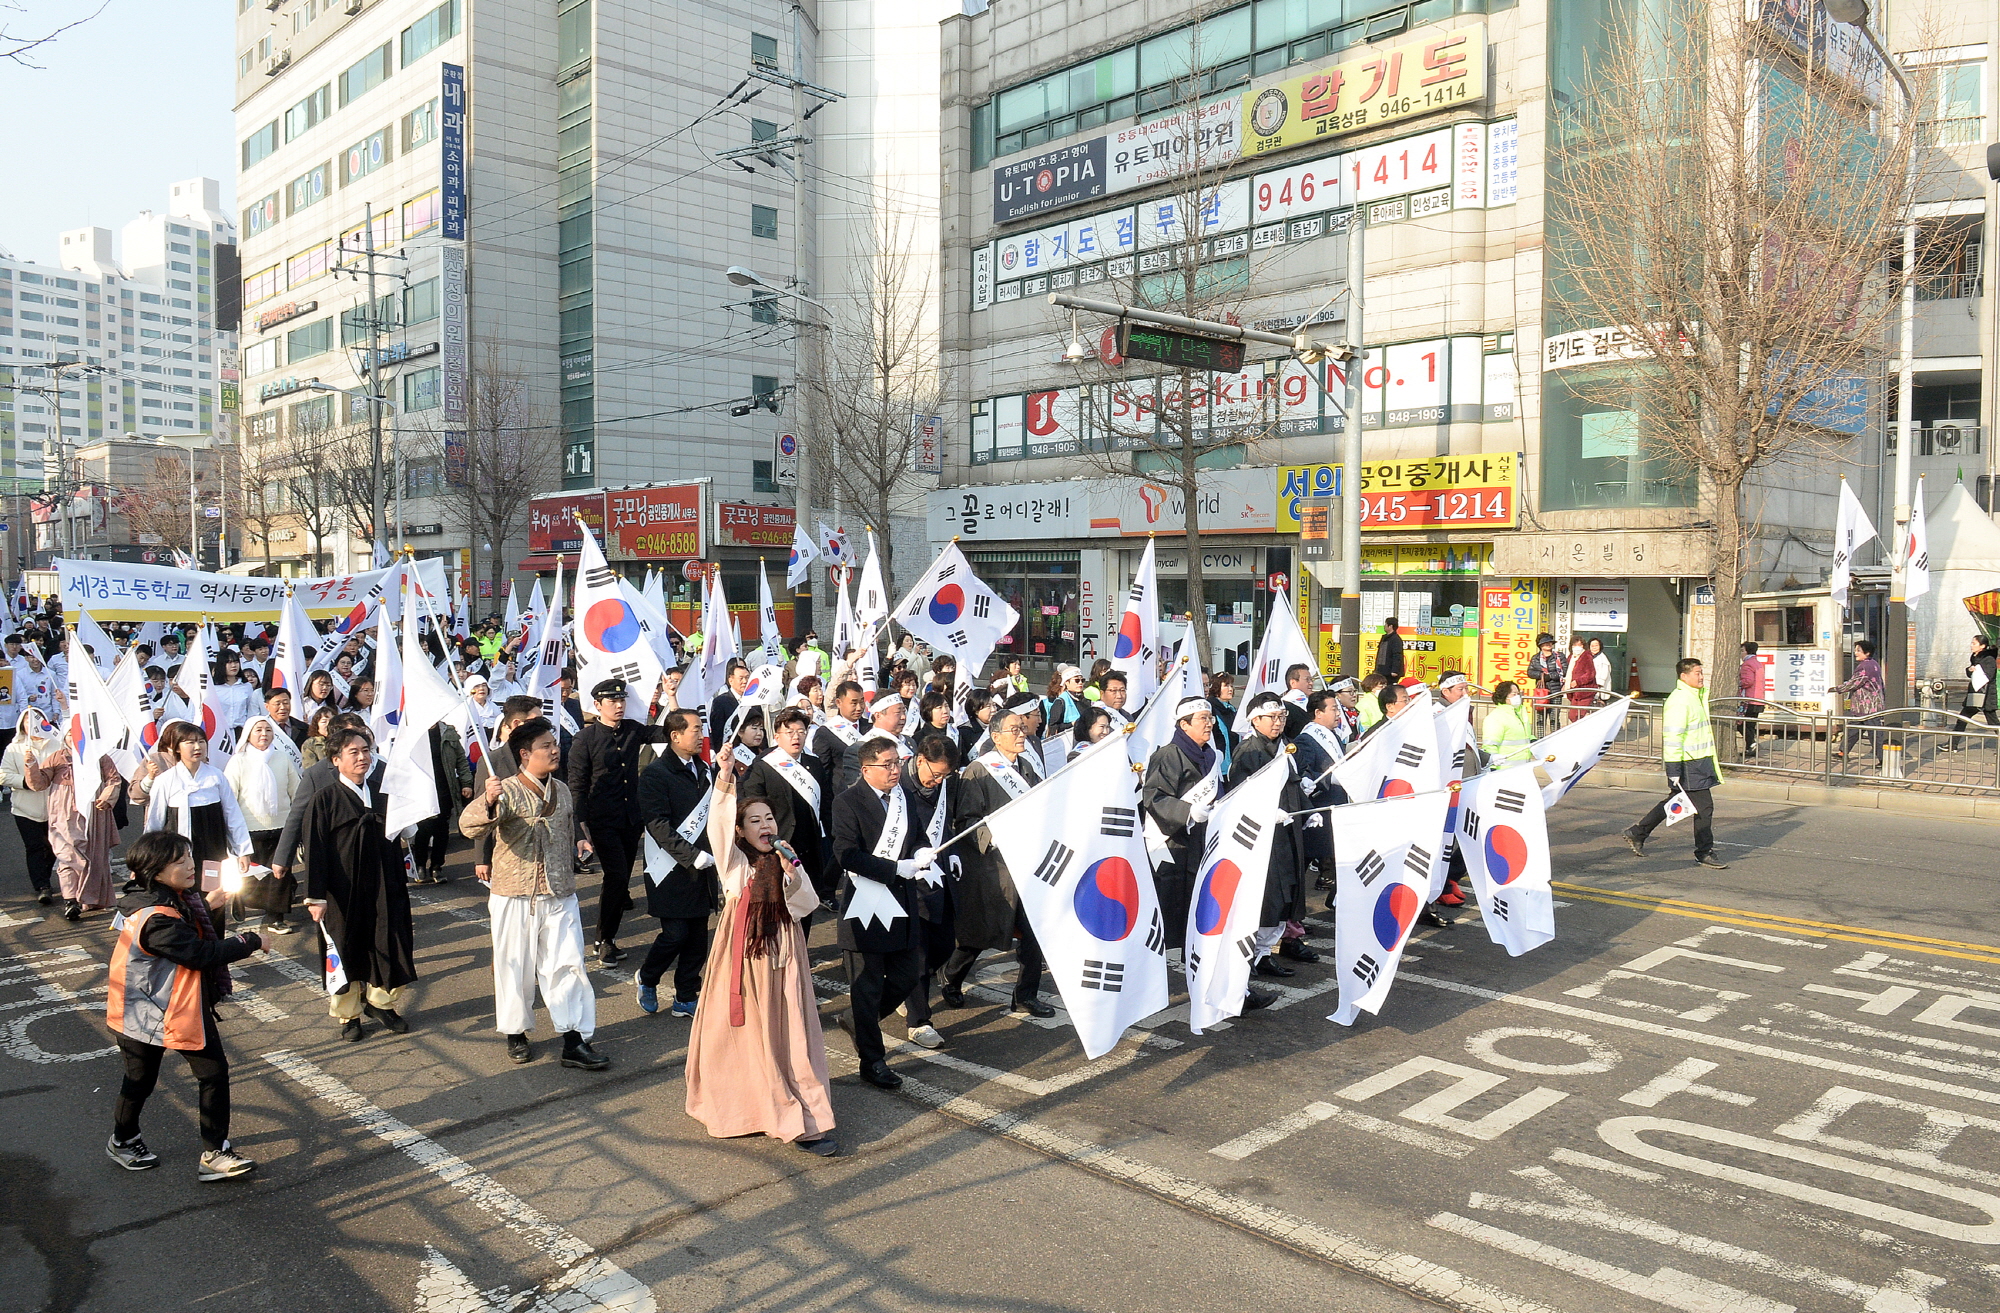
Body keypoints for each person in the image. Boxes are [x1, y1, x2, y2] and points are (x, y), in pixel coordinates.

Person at [684, 751, 838, 1155]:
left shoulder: (785, 859)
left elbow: (806, 903)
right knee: (748, 1031)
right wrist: (725, 781)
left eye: (768, 819)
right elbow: (717, 826)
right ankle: (751, 1105)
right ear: (740, 831)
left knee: (788, 1029)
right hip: (746, 956)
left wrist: (792, 876)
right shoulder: (735, 864)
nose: (764, 826)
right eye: (754, 821)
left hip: (784, 953)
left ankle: (802, 1110)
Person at [103, 829, 262, 1180]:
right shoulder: (157, 914)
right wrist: (250, 940)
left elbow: (184, 934)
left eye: (189, 856)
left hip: (164, 1007)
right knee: (142, 1079)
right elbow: (199, 953)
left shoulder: (160, 899)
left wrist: (208, 904)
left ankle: (214, 1153)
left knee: (209, 1073)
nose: (190, 865)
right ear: (155, 870)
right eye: (179, 861)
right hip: (150, 1010)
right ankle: (125, 1139)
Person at [459, 717, 608, 1070]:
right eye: (545, 746)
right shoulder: (505, 789)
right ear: (524, 754)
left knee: (567, 965)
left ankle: (574, 1040)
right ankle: (516, 1033)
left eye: (554, 744)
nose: (554, 750)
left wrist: (578, 841)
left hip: (559, 892)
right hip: (514, 894)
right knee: (515, 967)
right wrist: (488, 801)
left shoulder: (563, 789)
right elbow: (469, 826)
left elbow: (568, 824)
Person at [301, 725, 419, 1040]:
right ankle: (348, 1015)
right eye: (353, 752)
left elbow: (407, 832)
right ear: (336, 760)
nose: (362, 757)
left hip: (384, 882)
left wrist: (409, 812)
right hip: (342, 890)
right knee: (344, 946)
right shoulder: (324, 799)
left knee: (388, 939)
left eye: (365, 750)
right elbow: (315, 850)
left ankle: (381, 1002)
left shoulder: (383, 791)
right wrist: (316, 896)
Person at [831, 737, 935, 1089]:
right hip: (866, 906)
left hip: (903, 904)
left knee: (909, 976)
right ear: (866, 769)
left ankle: (858, 1021)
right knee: (868, 987)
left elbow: (918, 836)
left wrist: (922, 852)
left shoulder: (902, 797)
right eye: (887, 765)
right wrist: (894, 869)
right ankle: (873, 1062)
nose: (895, 770)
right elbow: (847, 854)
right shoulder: (848, 802)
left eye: (897, 763)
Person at [936, 709, 1051, 1018]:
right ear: (996, 736)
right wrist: (997, 837)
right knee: (981, 933)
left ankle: (1026, 995)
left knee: (1033, 932)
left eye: (1023, 728)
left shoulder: (1027, 767)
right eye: (1014, 729)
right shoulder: (979, 770)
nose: (1021, 733)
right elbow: (967, 820)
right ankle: (951, 976)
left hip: (1028, 864)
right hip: (992, 866)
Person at [567, 678, 671, 963]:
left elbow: (668, 733)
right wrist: (580, 826)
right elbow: (577, 784)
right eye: (612, 701)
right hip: (602, 820)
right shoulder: (585, 739)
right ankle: (604, 939)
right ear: (597, 705)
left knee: (623, 877)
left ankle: (607, 935)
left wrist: (672, 698)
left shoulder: (632, 730)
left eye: (622, 700)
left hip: (630, 818)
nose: (619, 705)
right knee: (615, 875)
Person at [131, 722, 255, 934]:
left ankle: (214, 949)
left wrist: (242, 850)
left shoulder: (216, 777)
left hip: (211, 852)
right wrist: (146, 860)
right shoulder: (165, 780)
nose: (197, 746)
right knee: (180, 900)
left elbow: (232, 814)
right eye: (189, 742)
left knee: (213, 897)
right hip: (177, 856)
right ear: (176, 747)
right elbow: (155, 823)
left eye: (200, 741)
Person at [636, 709, 718, 1019]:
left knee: (697, 937)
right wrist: (690, 855)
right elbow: (657, 824)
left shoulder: (703, 769)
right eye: (695, 730)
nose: (700, 736)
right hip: (668, 866)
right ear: (675, 736)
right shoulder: (656, 774)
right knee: (675, 934)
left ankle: (686, 996)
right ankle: (648, 977)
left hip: (703, 866)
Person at [1227, 693, 1305, 1005]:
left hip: (1287, 831)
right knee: (1268, 898)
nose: (1278, 722)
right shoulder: (1249, 751)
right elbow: (1239, 795)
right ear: (1254, 719)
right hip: (1263, 836)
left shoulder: (1284, 747)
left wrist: (1307, 808)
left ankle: (1263, 956)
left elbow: (1293, 785)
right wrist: (1263, 812)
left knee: (1286, 895)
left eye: (1281, 717)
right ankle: (1252, 959)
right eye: (1271, 717)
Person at [1625, 658, 1727, 869]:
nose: (1701, 676)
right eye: (1697, 673)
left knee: (1678, 801)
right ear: (1684, 676)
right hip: (1689, 764)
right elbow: (1673, 738)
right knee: (1704, 808)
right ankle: (1704, 851)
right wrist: (1673, 771)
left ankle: (1638, 832)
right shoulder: (1680, 700)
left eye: (1701, 672)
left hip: (1699, 762)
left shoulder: (1694, 696)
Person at [1142, 698, 1225, 951]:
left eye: (1210, 718)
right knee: (1174, 908)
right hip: (1176, 843)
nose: (1209, 724)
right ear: (1184, 724)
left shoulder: (1210, 754)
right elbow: (1154, 796)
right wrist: (1188, 811)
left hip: (1205, 839)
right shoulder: (1168, 755)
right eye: (1202, 719)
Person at [895, 737, 957, 1050]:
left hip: (938, 873)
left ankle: (904, 989)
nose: (937, 781)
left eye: (944, 776)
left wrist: (953, 852)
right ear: (920, 760)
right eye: (935, 774)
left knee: (944, 944)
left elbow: (947, 825)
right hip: (907, 875)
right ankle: (919, 1022)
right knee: (915, 952)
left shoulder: (944, 786)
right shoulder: (899, 785)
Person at [739, 707, 833, 903]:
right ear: (777, 736)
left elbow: (826, 806)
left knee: (806, 905)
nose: (796, 737)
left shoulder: (814, 765)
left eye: (801, 732)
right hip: (778, 846)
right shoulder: (764, 765)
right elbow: (752, 804)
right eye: (789, 732)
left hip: (810, 847)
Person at [30, 719, 121, 920]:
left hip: (94, 811)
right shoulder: (56, 757)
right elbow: (39, 783)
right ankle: (70, 900)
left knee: (93, 854)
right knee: (67, 853)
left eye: (78, 734)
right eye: (70, 734)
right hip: (63, 812)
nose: (74, 738)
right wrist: (31, 766)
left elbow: (113, 779)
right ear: (64, 737)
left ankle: (91, 897)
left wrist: (106, 796)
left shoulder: (100, 757)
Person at [222, 715, 304, 933]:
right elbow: (230, 796)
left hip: (282, 826)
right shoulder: (238, 761)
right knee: (252, 874)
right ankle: (241, 897)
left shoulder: (282, 758)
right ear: (248, 734)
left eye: (268, 730)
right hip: (250, 828)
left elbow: (296, 792)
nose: (264, 735)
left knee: (280, 873)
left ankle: (276, 917)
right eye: (258, 730)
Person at [1, 709, 56, 903]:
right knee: (34, 846)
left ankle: (45, 876)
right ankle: (42, 885)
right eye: (27, 721)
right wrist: (26, 782)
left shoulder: (56, 745)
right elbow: (4, 774)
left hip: (53, 807)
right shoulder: (14, 748)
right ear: (21, 724)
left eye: (36, 720)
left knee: (52, 847)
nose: (31, 724)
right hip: (25, 808)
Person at [1832, 639, 1885, 765]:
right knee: (1853, 730)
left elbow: (1855, 682)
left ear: (1867, 653)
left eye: (1858, 650)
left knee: (1875, 734)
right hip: (1864, 706)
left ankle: (1884, 759)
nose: (1855, 653)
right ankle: (1842, 752)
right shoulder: (1873, 664)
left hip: (1868, 707)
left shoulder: (1865, 666)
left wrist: (1837, 689)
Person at [1952, 635, 1997, 749]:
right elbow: (1970, 673)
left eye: (1974, 644)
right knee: (1963, 718)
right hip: (1975, 693)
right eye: (1972, 643)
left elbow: (1989, 676)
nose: (1971, 646)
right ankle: (1952, 745)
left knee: (1994, 723)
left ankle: (1952, 745)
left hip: (1986, 695)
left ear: (1982, 646)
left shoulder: (1989, 659)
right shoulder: (1975, 657)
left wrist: (1978, 670)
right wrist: (1970, 670)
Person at [1482, 681, 1536, 765]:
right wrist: (1492, 766)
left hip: (1523, 767)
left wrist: (1532, 740)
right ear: (1504, 696)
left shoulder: (1520, 713)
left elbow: (1525, 735)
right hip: (1505, 769)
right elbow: (1490, 745)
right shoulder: (1496, 717)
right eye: (1514, 694)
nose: (1517, 697)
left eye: (1518, 694)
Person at [1527, 634, 1566, 733]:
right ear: (1540, 645)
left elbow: (1565, 671)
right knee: (1540, 719)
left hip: (1556, 691)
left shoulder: (1559, 656)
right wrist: (1542, 675)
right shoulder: (1535, 658)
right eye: (1545, 643)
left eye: (1550, 642)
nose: (1548, 644)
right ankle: (1540, 740)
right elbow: (1530, 672)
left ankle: (1554, 740)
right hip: (1541, 693)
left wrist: (1551, 676)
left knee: (1554, 719)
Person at [1205, 672, 1237, 773]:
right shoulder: (1210, 709)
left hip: (1233, 767)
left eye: (1231, 685)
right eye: (1226, 685)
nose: (1230, 689)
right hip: (1219, 767)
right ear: (1216, 687)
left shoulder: (1232, 710)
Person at [1562, 637, 1599, 722]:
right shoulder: (1571, 657)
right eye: (1575, 645)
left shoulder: (1586, 656)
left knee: (1579, 716)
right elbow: (1568, 673)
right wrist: (1566, 683)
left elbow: (1591, 674)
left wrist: (1578, 681)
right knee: (1572, 716)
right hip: (1574, 692)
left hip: (1585, 691)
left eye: (1580, 645)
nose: (1577, 647)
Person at [1043, 665, 1087, 735]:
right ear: (1066, 682)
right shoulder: (1060, 702)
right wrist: (1072, 724)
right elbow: (1053, 727)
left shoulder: (1085, 700)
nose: (1080, 683)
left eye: (1082, 680)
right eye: (1077, 680)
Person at [1737, 640, 1763, 757]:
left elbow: (1748, 681)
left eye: (1742, 651)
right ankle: (1750, 747)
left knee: (1741, 724)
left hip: (1749, 699)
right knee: (1750, 725)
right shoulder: (1757, 663)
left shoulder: (1747, 664)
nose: (1741, 654)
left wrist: (1737, 683)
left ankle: (1751, 744)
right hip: (1759, 699)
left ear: (1747, 652)